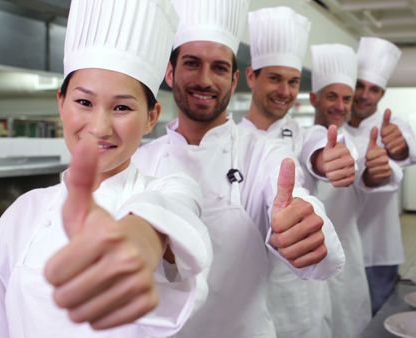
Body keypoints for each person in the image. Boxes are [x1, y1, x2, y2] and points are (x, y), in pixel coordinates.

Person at [0, 1, 212, 337]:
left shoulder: (166, 190)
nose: (100, 127)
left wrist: (142, 240)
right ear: (61, 103)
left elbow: (171, 212)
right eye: (84, 102)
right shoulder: (21, 213)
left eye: (121, 107)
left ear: (151, 116)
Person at [131, 1, 345, 338]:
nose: (205, 79)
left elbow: (291, 192)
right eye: (191, 63)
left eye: (218, 68)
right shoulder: (140, 161)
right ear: (169, 73)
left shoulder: (260, 151)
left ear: (233, 81)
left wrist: (303, 222)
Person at [238, 8, 357, 338]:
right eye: (274, 78)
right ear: (251, 77)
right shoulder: (232, 140)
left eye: (292, 82)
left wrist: (327, 159)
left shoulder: (304, 135)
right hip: (245, 287)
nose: (285, 91)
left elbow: (320, 148)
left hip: (300, 283)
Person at [309, 43, 404, 338]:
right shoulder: (299, 138)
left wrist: (382, 170)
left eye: (346, 98)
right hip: (306, 270)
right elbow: (311, 152)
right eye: (332, 97)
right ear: (314, 99)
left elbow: (375, 170)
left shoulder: (360, 142)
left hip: (351, 262)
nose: (342, 105)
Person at [343, 36, 416, 315]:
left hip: (380, 247)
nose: (365, 95)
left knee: (379, 317)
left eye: (374, 89)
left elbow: (408, 152)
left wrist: (398, 149)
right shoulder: (334, 127)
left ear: (382, 95)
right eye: (359, 86)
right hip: (339, 247)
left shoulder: (393, 125)